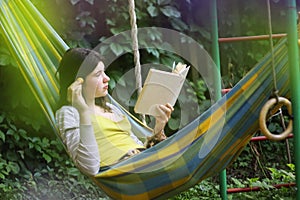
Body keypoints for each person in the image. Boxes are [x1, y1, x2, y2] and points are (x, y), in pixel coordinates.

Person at [55, 48, 174, 176]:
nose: (106, 78)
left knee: (181, 148)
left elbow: (141, 149)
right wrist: (83, 112)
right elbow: (89, 168)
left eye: (104, 72)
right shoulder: (68, 113)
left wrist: (159, 127)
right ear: (78, 82)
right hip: (123, 172)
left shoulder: (111, 108)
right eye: (97, 75)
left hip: (142, 162)